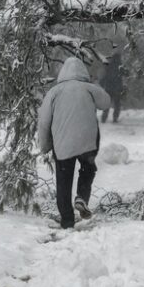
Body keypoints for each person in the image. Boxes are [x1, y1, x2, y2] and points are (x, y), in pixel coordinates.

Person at [37, 57, 111, 229]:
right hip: (87, 142)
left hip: (62, 143)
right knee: (88, 168)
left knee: (64, 180)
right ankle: (81, 197)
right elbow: (106, 103)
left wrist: (45, 145)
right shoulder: (89, 88)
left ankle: (67, 220)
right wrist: (95, 86)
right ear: (83, 72)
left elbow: (44, 122)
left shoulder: (54, 92)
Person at [99, 51, 125, 123]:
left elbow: (106, 76)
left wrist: (102, 83)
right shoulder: (120, 66)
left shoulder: (109, 66)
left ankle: (104, 118)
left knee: (107, 104)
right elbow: (125, 74)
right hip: (117, 88)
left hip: (109, 88)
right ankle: (115, 118)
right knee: (117, 104)